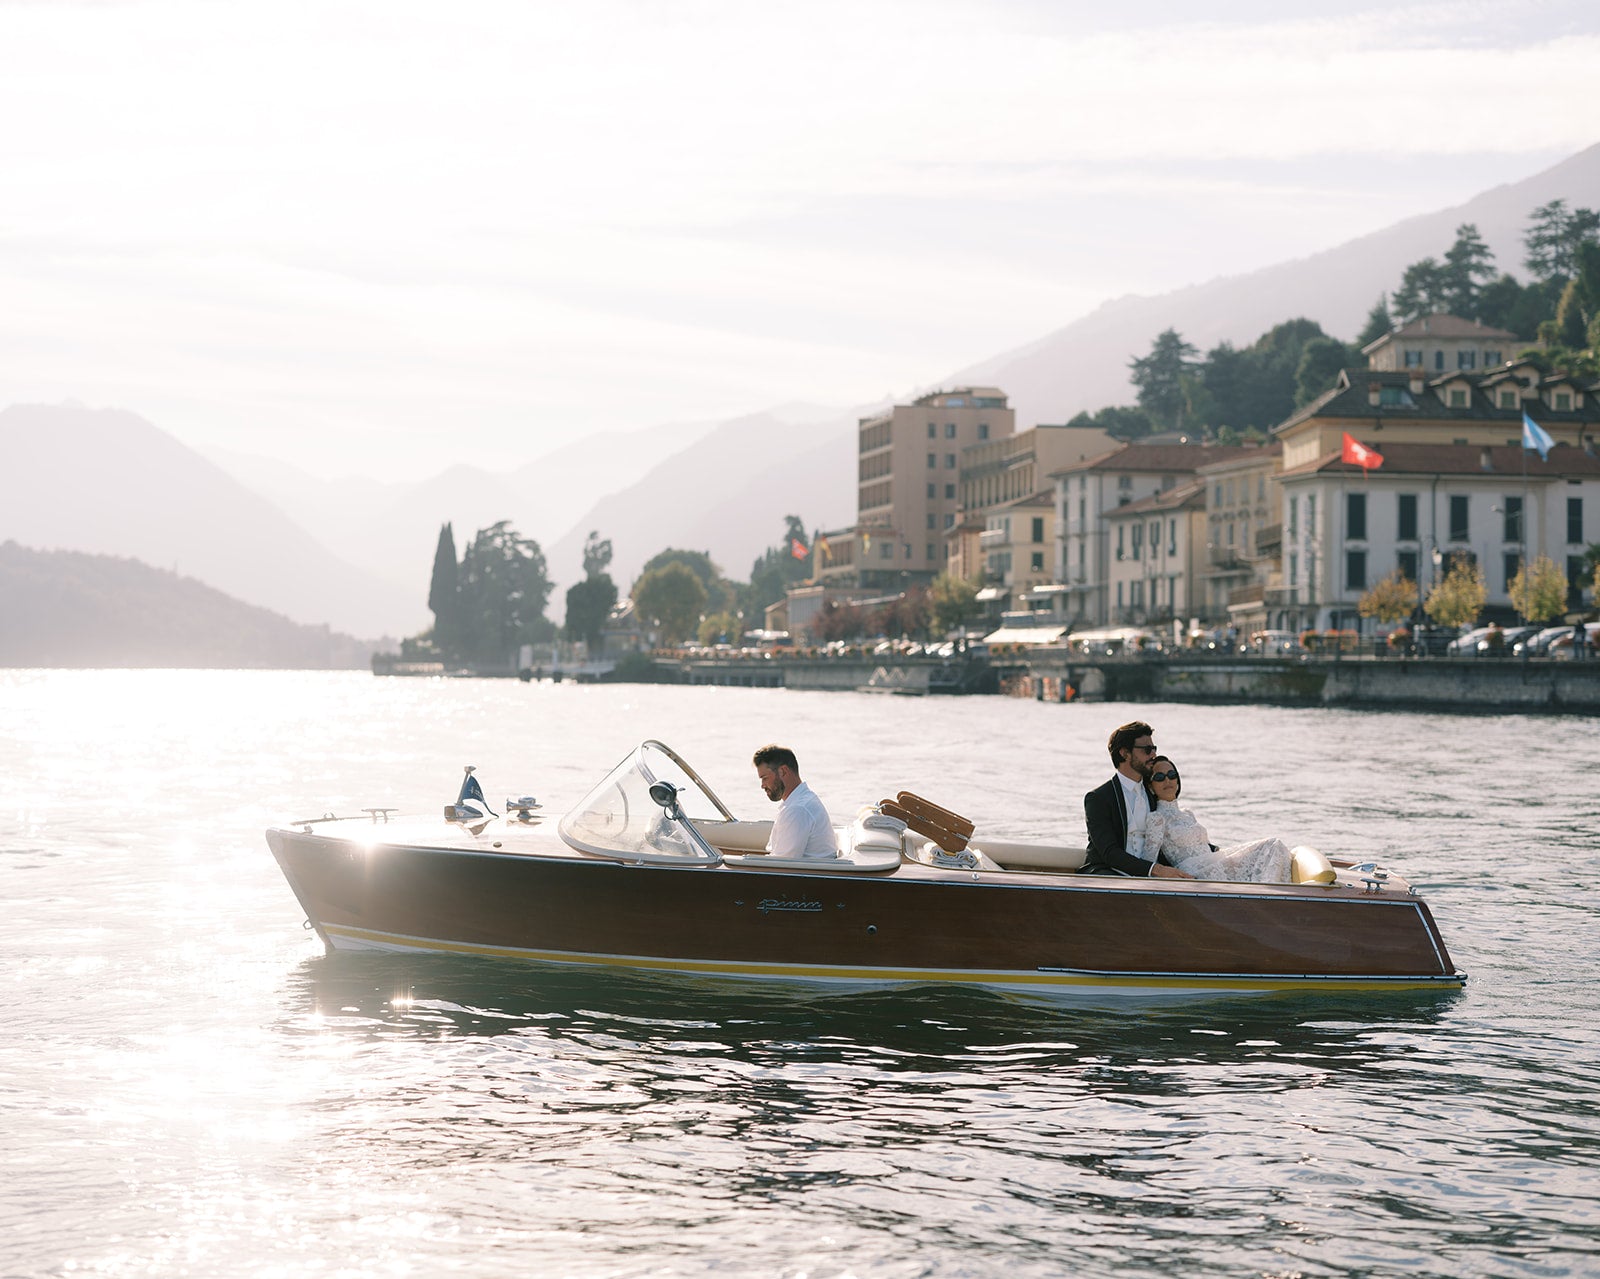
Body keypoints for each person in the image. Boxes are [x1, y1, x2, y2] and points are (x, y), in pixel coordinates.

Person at [1142, 756, 1291, 883]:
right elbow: (1149, 860)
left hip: (1211, 861)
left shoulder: (1187, 813)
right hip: (1192, 871)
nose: (1167, 780)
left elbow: (1205, 845)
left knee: (1274, 846)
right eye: (1160, 777)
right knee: (1271, 844)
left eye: (1171, 775)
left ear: (1178, 780)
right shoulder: (1156, 818)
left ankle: (1270, 893)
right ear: (1151, 786)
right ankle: (1269, 896)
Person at [1082, 721, 1190, 878]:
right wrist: (1156, 870)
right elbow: (1109, 853)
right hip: (1107, 873)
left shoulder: (1153, 792)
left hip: (1150, 877)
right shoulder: (1098, 798)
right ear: (1124, 753)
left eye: (1154, 749)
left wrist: (1215, 853)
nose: (1153, 755)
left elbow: (1176, 831)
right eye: (1147, 750)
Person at [752, 744, 836, 858]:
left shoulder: (798, 809)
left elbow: (781, 866)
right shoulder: (801, 800)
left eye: (765, 778)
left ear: (783, 771)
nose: (762, 785)